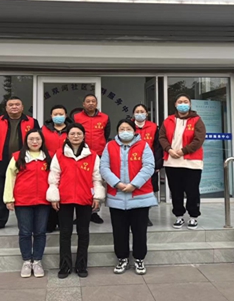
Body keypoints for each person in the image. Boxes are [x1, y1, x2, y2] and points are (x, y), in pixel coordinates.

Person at [47, 123, 105, 279]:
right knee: (65, 233)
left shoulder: (92, 155)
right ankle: (65, 266)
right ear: (67, 136)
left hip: (85, 198)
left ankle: (81, 265)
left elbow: (96, 178)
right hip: (64, 199)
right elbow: (54, 177)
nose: (76, 136)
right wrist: (54, 196)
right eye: (72, 133)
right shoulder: (59, 154)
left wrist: (97, 196)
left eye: (79, 133)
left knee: (83, 232)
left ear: (84, 136)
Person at [100, 119, 157, 275]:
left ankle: (139, 258)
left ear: (134, 131)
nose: (125, 131)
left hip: (140, 196)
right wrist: (117, 183)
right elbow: (104, 167)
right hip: (117, 197)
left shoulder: (143, 145)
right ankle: (122, 258)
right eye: (122, 129)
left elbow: (149, 166)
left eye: (128, 129)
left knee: (140, 231)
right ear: (117, 131)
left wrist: (134, 184)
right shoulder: (110, 146)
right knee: (119, 231)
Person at [0, 96, 40, 232]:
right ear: (6, 107)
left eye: (17, 104)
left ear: (22, 107)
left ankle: (28, 220)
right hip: (2, 161)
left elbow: (38, 140)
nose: (14, 107)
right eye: (11, 105)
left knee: (26, 191)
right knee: (0, 193)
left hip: (25, 161)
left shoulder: (32, 121)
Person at [4, 129, 52, 278]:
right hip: (23, 201)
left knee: (40, 232)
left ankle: (37, 261)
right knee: (25, 232)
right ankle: (26, 261)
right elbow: (10, 178)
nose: (35, 142)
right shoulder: (18, 156)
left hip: (43, 201)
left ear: (42, 141)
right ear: (26, 141)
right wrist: (9, 199)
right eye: (31, 139)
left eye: (38, 139)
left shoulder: (49, 157)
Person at [159, 94, 206, 230]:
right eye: (180, 102)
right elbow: (162, 137)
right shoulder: (168, 120)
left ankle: (193, 216)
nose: (183, 104)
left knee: (192, 191)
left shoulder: (197, 120)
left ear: (190, 104)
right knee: (176, 191)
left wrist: (183, 151)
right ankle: (179, 216)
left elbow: (199, 139)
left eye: (185, 102)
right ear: (175, 104)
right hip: (172, 161)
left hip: (192, 162)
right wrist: (169, 149)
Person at [74, 94, 110, 224]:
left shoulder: (105, 118)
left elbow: (106, 135)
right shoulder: (77, 117)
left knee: (97, 182)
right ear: (83, 104)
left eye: (93, 101)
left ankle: (94, 212)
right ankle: (80, 213)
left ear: (96, 103)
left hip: (99, 155)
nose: (90, 103)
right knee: (81, 183)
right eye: (88, 101)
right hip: (81, 154)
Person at [132, 104, 163, 227]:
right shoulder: (128, 126)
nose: (140, 113)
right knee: (133, 189)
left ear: (147, 113)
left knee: (147, 191)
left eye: (142, 111)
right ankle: (133, 216)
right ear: (133, 114)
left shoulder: (154, 127)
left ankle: (145, 216)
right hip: (132, 163)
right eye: (137, 111)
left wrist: (157, 165)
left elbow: (158, 146)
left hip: (149, 165)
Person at [42, 105, 71, 233]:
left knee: (64, 193)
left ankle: (62, 222)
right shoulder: (44, 129)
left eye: (61, 114)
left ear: (66, 116)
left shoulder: (71, 129)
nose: (58, 116)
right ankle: (50, 222)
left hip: (67, 166)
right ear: (51, 116)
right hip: (48, 165)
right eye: (55, 114)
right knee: (50, 192)